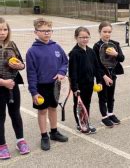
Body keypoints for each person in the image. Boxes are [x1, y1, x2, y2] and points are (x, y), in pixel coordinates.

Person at [26, 18, 69, 151]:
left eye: (49, 30)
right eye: (43, 31)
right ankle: (44, 136)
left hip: (55, 85)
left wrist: (62, 72)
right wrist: (34, 92)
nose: (46, 33)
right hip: (41, 87)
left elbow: (65, 62)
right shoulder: (31, 52)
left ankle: (54, 132)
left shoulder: (56, 47)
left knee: (53, 108)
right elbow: (31, 74)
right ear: (36, 32)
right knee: (42, 110)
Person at [0, 17, 30, 159]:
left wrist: (20, 66)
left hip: (13, 86)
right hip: (1, 86)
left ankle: (20, 141)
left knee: (15, 114)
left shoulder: (12, 44)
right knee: (0, 117)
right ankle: (2, 145)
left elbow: (21, 63)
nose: (2, 32)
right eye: (0, 29)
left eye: (5, 29)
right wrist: (3, 82)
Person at [69, 27, 103, 134]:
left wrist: (99, 81)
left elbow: (97, 68)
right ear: (76, 38)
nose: (85, 39)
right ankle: (80, 124)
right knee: (79, 105)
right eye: (82, 37)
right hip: (79, 86)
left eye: (87, 37)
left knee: (87, 104)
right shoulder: (74, 53)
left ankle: (86, 122)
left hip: (89, 84)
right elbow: (72, 72)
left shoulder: (91, 51)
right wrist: (75, 88)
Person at [93, 21, 125, 128]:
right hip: (102, 76)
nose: (107, 34)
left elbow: (122, 58)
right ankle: (104, 117)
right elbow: (96, 65)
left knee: (111, 96)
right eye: (104, 31)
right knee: (103, 97)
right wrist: (104, 76)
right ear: (100, 32)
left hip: (113, 74)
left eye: (109, 32)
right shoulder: (97, 46)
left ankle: (110, 113)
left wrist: (116, 54)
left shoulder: (115, 44)